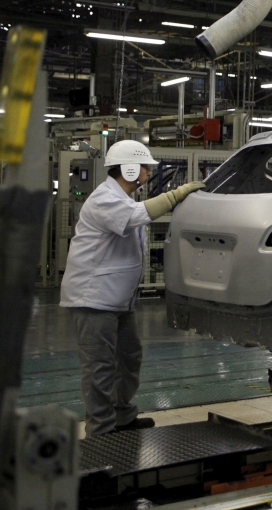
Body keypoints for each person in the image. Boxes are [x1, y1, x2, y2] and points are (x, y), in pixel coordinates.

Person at [60, 140, 205, 437]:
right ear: (128, 168)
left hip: (119, 301)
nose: (149, 172)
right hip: (93, 300)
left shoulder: (125, 199)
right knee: (99, 367)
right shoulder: (104, 200)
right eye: (145, 167)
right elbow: (138, 216)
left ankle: (123, 417)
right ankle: (101, 430)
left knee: (128, 358)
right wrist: (177, 194)